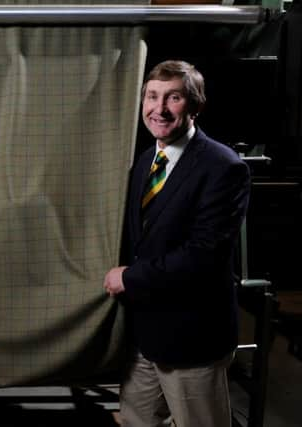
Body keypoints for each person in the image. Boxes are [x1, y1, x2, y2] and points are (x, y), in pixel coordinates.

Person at [103, 60, 251, 427]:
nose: (159, 109)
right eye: (152, 97)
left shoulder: (223, 167)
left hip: (192, 337)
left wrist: (130, 278)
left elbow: (203, 256)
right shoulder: (146, 160)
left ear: (196, 105)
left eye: (174, 97)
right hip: (145, 336)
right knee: (136, 421)